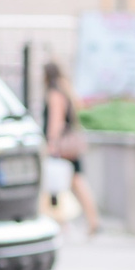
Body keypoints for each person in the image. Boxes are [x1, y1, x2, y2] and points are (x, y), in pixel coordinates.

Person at [41, 60, 99, 236]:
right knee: (75, 183)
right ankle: (90, 221)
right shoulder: (64, 90)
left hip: (61, 148)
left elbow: (55, 123)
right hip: (68, 147)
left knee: (60, 184)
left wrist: (52, 145)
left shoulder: (55, 94)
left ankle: (67, 221)